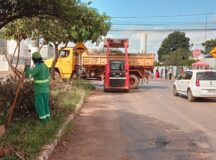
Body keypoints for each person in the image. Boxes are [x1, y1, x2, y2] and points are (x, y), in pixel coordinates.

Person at [25, 52, 51, 123]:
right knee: (46, 105)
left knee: (40, 106)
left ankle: (44, 122)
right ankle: (48, 120)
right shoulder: (45, 66)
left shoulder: (37, 67)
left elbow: (29, 75)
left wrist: (27, 66)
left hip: (39, 90)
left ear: (34, 60)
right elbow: (48, 77)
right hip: (46, 90)